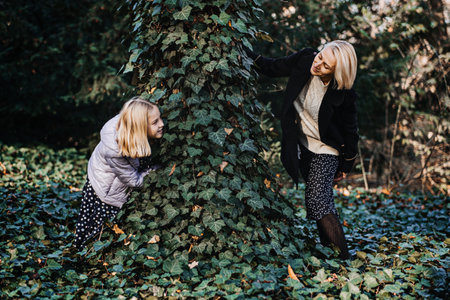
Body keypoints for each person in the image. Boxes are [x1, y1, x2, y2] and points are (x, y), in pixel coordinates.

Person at [245, 40, 359, 259]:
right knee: (323, 202)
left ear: (337, 72)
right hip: (303, 146)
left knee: (316, 199)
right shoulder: (305, 59)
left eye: (326, 66)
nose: (318, 65)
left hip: (327, 150)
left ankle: (344, 260)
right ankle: (331, 251)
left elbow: (351, 132)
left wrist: (346, 165)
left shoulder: (344, 94)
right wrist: (242, 50)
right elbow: (270, 67)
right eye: (320, 57)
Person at [74, 97, 164, 250]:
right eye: (155, 122)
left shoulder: (132, 125)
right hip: (105, 187)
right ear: (140, 127)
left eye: (160, 118)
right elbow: (133, 180)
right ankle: (86, 252)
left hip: (113, 175)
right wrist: (155, 170)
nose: (162, 124)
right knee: (99, 227)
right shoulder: (116, 150)